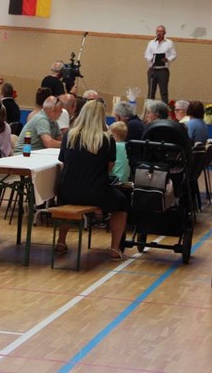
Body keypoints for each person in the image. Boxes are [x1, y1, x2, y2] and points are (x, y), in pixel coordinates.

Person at [55, 100, 129, 261]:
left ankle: (61, 241)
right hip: (95, 192)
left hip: (68, 190)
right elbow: (109, 168)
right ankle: (114, 248)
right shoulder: (108, 139)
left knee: (63, 202)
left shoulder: (69, 136)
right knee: (122, 203)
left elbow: (64, 162)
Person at [144, 25, 176, 104]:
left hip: (163, 70)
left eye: (161, 31)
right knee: (151, 92)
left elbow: (174, 55)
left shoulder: (169, 43)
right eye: (158, 31)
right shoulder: (151, 43)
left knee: (163, 92)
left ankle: (164, 110)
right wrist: (151, 59)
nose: (159, 33)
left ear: (164, 33)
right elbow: (146, 55)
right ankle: (149, 109)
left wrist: (167, 59)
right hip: (152, 70)